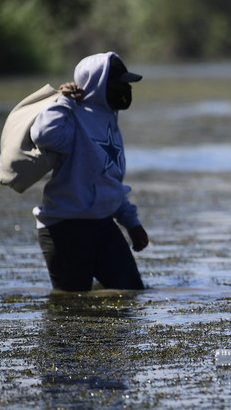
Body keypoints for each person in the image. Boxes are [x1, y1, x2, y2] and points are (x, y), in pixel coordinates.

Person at [30, 52, 149, 291]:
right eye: (119, 82)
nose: (126, 88)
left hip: (102, 224)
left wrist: (132, 223)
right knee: (72, 307)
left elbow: (110, 182)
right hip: (64, 227)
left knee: (131, 292)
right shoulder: (71, 115)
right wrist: (64, 101)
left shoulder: (109, 120)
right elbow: (43, 135)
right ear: (99, 84)